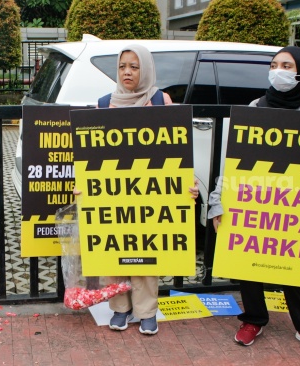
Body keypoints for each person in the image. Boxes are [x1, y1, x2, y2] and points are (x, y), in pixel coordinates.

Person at [208, 46, 300, 356]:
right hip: (257, 202)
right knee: (248, 260)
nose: (279, 71)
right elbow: (235, 161)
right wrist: (218, 201)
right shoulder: (256, 106)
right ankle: (253, 319)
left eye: (287, 65)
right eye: (274, 64)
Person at [83, 44, 198, 335]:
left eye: (134, 66)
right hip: (113, 193)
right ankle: (120, 309)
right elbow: (92, 156)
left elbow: (178, 149)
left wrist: (188, 185)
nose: (127, 72)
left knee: (147, 252)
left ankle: (147, 311)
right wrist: (83, 187)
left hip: (151, 192)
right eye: (122, 66)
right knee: (114, 252)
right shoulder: (105, 102)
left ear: (145, 69)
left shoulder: (160, 100)